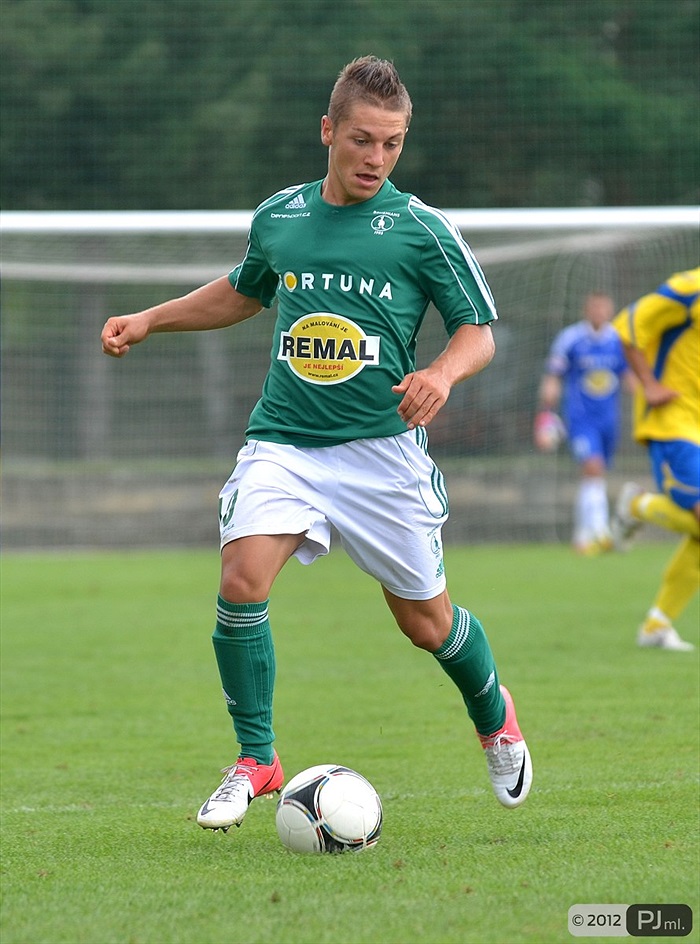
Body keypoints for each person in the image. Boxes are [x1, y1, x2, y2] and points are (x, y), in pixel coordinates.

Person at [101, 56, 532, 831]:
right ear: (328, 130)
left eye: (392, 144)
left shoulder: (420, 229)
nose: (376, 158)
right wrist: (151, 318)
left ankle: (493, 711)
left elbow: (479, 332)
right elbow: (243, 290)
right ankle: (257, 757)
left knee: (426, 624)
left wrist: (441, 371)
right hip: (286, 444)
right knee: (241, 578)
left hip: (381, 455)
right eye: (362, 140)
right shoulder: (282, 216)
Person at [611, 268, 699, 651]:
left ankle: (656, 625)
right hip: (673, 422)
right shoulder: (689, 289)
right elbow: (628, 325)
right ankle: (636, 505)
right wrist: (649, 384)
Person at [534, 292, 630, 555]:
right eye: (595, 307)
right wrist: (545, 414)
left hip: (609, 420)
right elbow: (553, 377)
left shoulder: (618, 340)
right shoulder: (571, 339)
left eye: (604, 307)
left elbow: (628, 377)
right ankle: (600, 532)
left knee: (595, 476)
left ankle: (582, 535)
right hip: (580, 419)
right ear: (586, 310)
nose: (599, 311)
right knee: (593, 468)